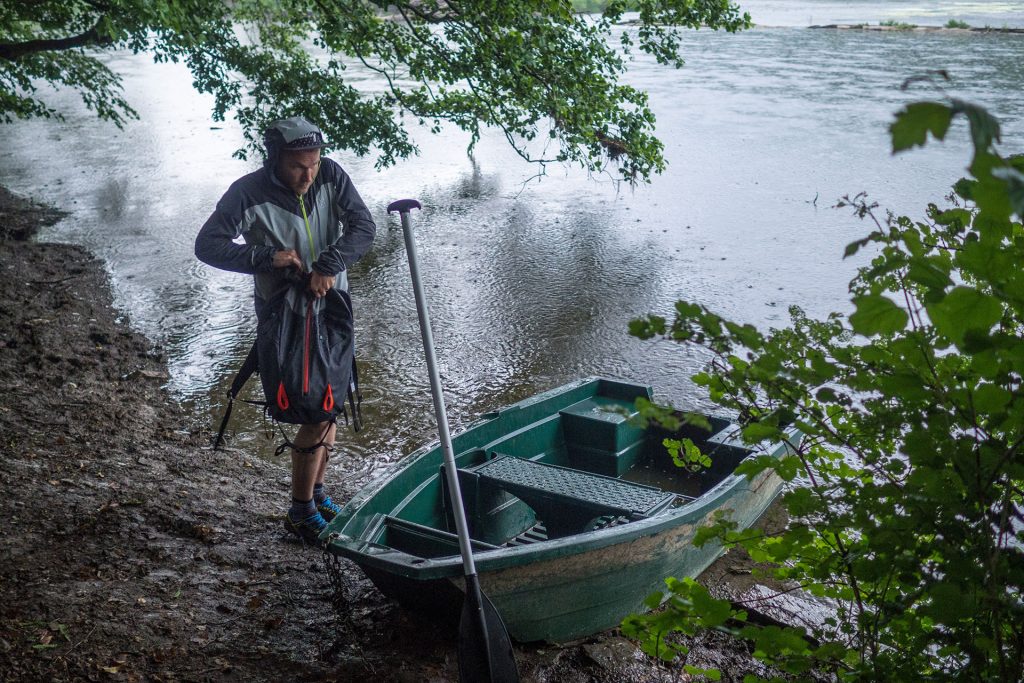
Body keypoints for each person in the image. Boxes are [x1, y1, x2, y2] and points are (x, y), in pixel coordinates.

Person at [195, 116, 376, 544]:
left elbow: (363, 228)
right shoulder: (248, 192)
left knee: (332, 401)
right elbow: (208, 245)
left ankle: (317, 494)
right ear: (274, 159)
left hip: (334, 308)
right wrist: (264, 257)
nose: (308, 175)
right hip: (286, 318)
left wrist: (331, 263)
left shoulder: (331, 176)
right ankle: (300, 512)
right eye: (297, 166)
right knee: (315, 410)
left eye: (314, 163)